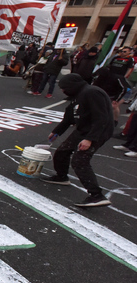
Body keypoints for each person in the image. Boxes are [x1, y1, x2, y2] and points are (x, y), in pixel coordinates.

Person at [42, 73, 115, 207]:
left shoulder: (92, 92)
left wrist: (90, 139)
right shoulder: (76, 97)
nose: (63, 91)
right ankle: (61, 177)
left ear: (72, 85)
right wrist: (56, 132)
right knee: (62, 151)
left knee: (80, 160)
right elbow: (68, 119)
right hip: (83, 130)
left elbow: (101, 118)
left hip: (97, 132)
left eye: (64, 88)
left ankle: (96, 195)